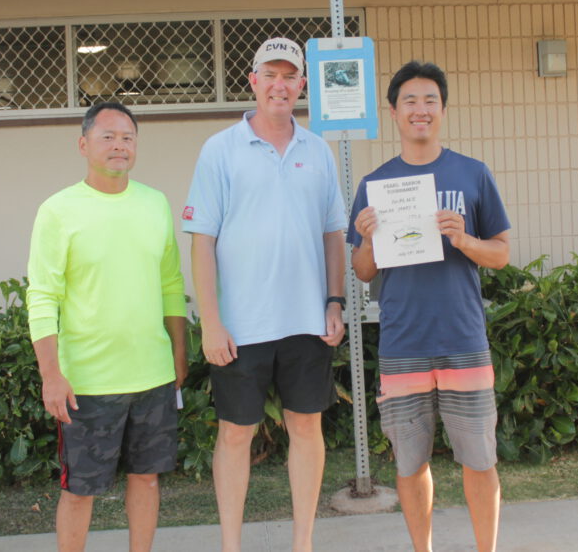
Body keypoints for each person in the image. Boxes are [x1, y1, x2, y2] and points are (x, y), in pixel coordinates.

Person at [182, 37, 347, 552]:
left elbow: (333, 235)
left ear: (302, 84)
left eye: (290, 75)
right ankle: (231, 545)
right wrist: (210, 321)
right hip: (241, 323)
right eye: (269, 74)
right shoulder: (220, 149)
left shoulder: (317, 151)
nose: (280, 84)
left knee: (306, 426)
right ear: (252, 81)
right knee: (235, 433)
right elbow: (202, 242)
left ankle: (303, 543)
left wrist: (335, 302)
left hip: (306, 320)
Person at [347, 61, 511, 552]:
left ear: (443, 109)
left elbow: (500, 254)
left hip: (463, 338)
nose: (421, 110)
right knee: (409, 463)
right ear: (393, 112)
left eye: (430, 101)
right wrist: (368, 238)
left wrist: (465, 240)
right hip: (403, 342)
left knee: (480, 460)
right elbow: (362, 271)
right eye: (410, 102)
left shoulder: (472, 173)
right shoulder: (376, 186)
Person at [26, 102, 188, 552]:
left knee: (147, 480)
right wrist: (51, 375)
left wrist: (179, 352)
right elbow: (42, 296)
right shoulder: (58, 210)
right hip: (87, 383)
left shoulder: (155, 203)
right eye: (108, 136)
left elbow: (171, 283)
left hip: (152, 375)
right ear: (83, 144)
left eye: (128, 137)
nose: (120, 145)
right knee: (80, 490)